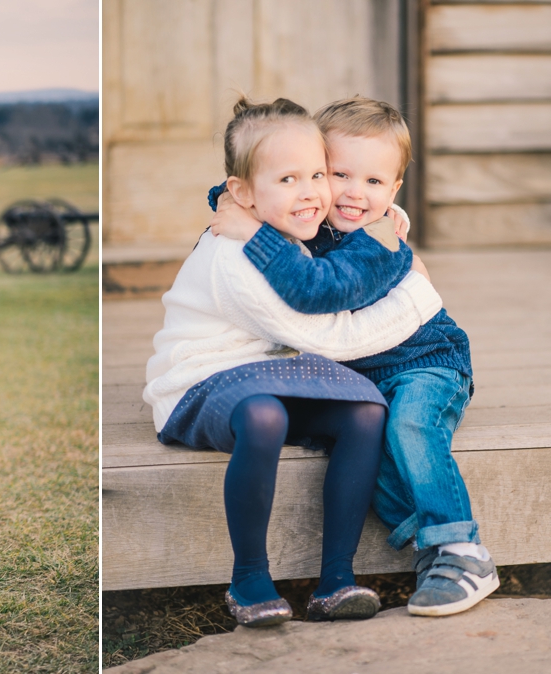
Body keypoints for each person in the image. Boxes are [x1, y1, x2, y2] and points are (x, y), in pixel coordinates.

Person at [143, 97, 443, 626]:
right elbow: (325, 337)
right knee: (266, 415)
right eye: (286, 180)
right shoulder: (233, 256)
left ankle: (336, 580)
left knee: (366, 411)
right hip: (200, 384)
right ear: (242, 193)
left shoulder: (293, 235)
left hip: (273, 373)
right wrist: (418, 295)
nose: (309, 193)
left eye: (317, 174)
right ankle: (250, 578)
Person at [208, 96, 497, 617]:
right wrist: (230, 197)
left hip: (428, 361)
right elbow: (264, 178)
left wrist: (249, 229)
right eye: (338, 173)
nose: (354, 193)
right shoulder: (315, 220)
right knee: (376, 461)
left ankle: (462, 552)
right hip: (363, 375)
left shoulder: (379, 238)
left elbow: (321, 289)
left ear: (394, 191)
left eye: (374, 182)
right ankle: (426, 546)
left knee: (410, 428)